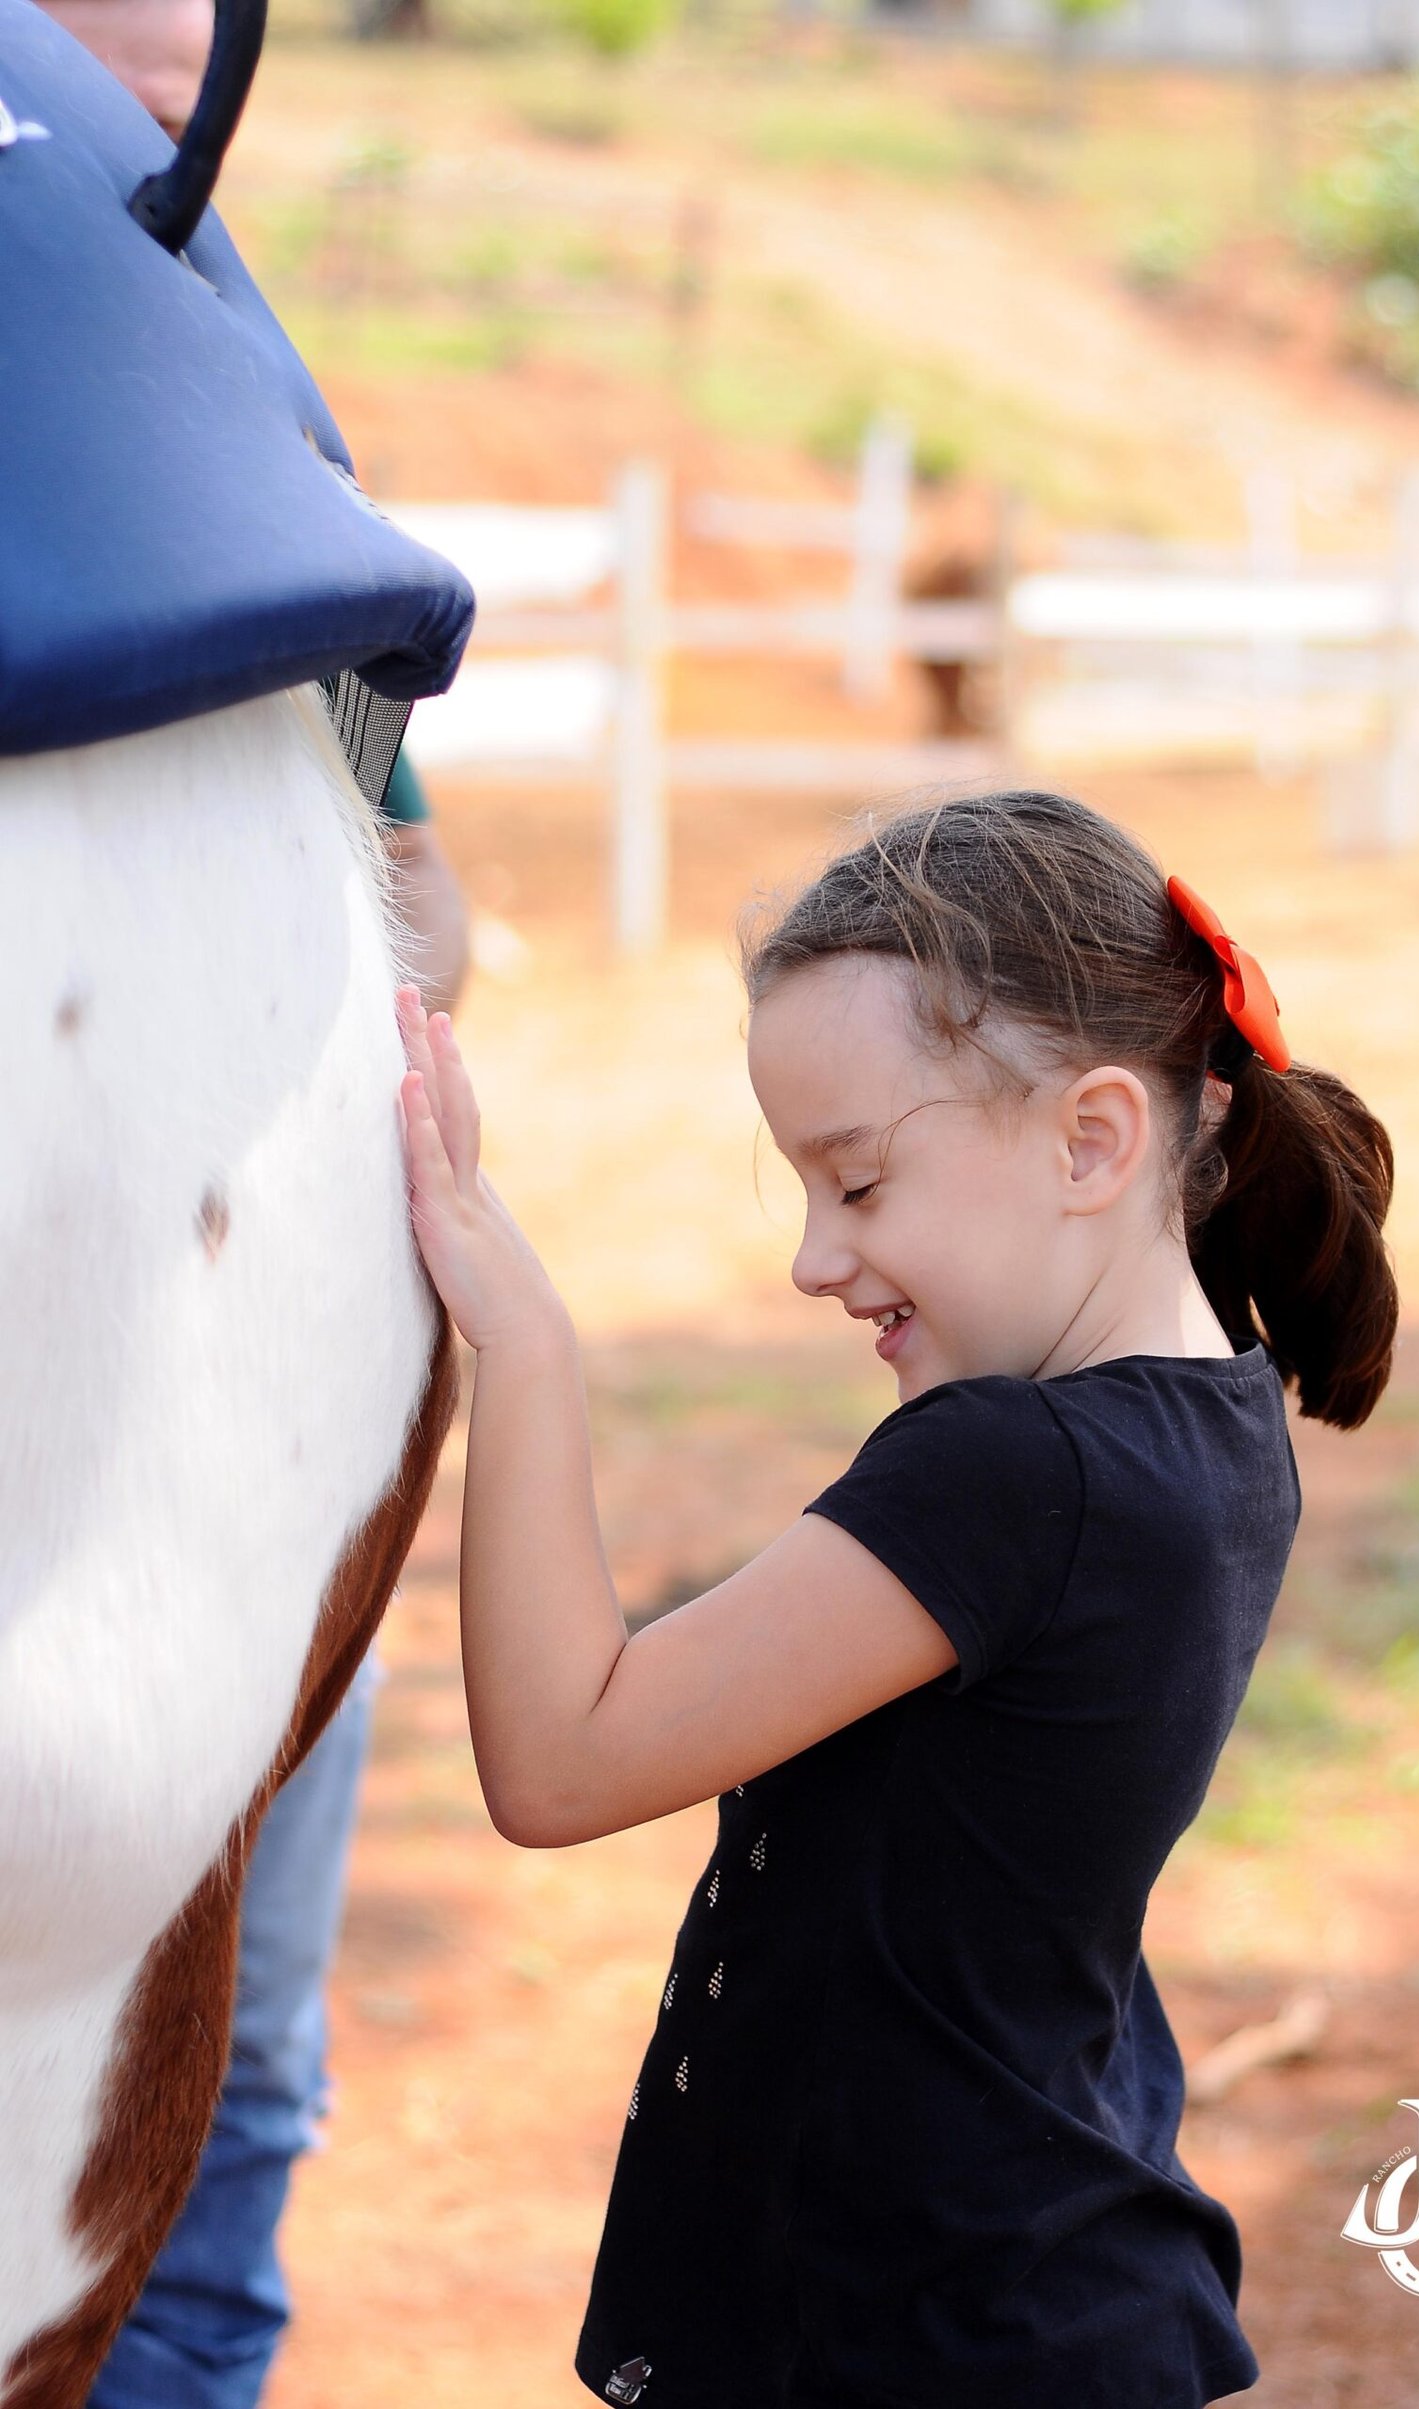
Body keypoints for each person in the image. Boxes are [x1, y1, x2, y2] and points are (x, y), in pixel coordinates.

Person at [397, 787, 1398, 2408]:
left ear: (1093, 1140)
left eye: (856, 1185)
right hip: (1032, 2298)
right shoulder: (1222, 1418)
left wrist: (524, 1340)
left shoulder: (1013, 1473)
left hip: (921, 2334)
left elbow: (564, 1757)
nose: (811, 1256)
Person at [31, 15, 473, 2404]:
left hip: (261, 1413)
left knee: (240, 2080)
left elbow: (420, 883)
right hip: (217, 1401)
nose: (186, 47)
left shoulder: (202, 367)